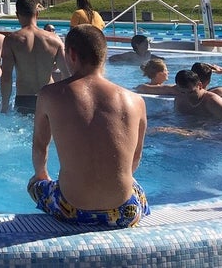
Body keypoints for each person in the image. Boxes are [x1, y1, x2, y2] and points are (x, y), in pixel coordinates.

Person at [28, 25, 150, 228]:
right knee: (133, 184)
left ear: (72, 55)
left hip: (72, 210)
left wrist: (42, 175)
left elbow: (40, 146)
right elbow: (134, 161)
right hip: (124, 211)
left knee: (35, 184)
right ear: (104, 54)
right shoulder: (135, 101)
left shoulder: (50, 95)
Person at [0, 0, 68, 114]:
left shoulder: (11, 40)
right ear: (37, 14)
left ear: (17, 15)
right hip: (49, 97)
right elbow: (67, 73)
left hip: (24, 98)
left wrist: (4, 105)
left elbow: (6, 76)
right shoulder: (55, 39)